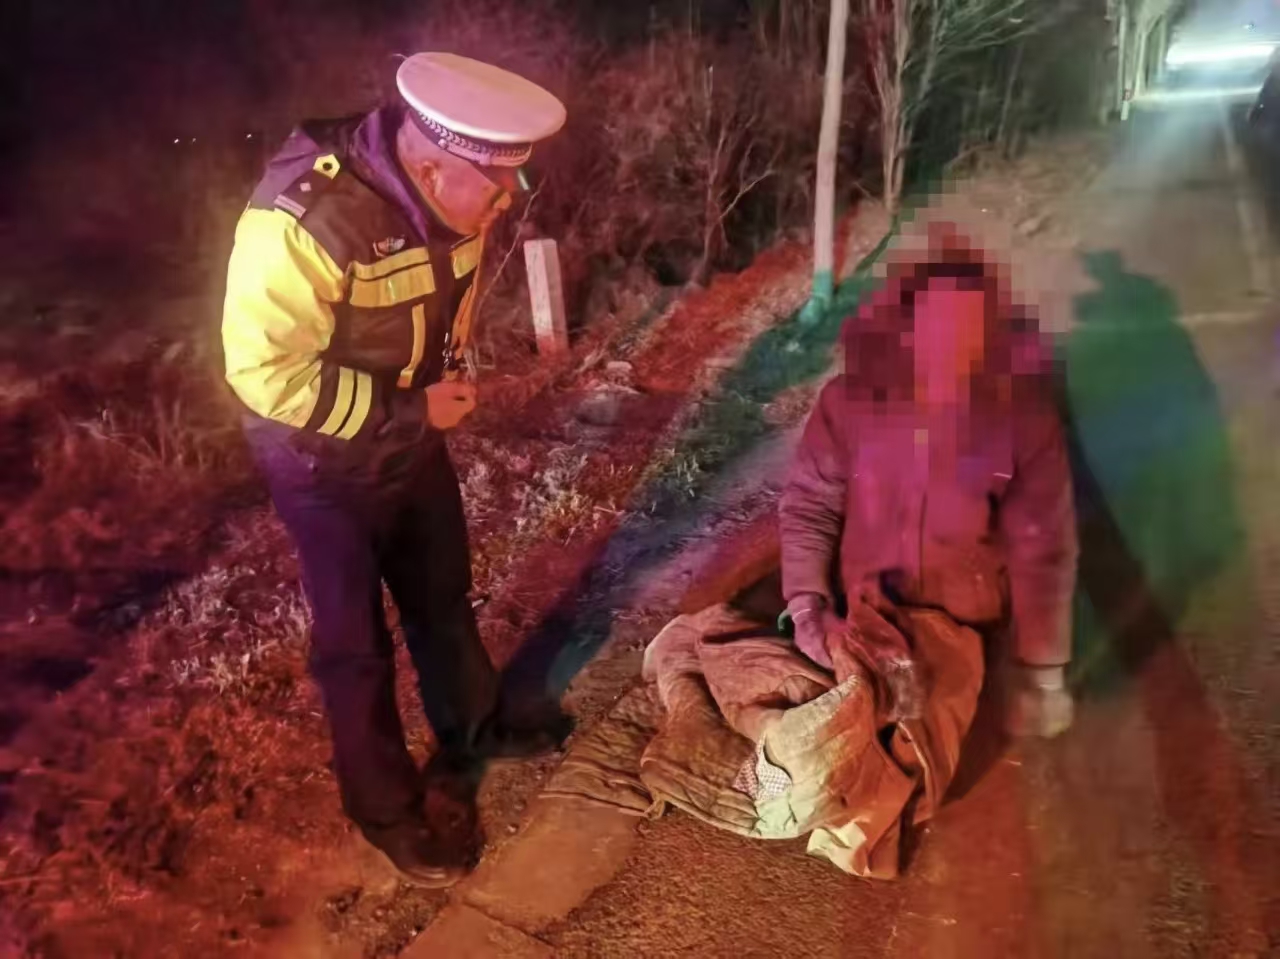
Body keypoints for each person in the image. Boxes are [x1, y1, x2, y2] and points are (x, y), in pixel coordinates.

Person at [221, 53, 567, 885]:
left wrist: (445, 377)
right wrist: (412, 413)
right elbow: (262, 373)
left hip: (413, 434)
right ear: (431, 166)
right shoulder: (300, 219)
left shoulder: (458, 197)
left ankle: (475, 726)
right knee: (355, 644)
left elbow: (451, 294)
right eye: (498, 186)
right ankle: (384, 810)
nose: (508, 203)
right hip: (319, 458)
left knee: (442, 593)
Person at [779, 227, 1079, 738]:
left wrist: (1043, 673)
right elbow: (811, 503)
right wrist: (807, 603)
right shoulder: (848, 402)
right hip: (866, 619)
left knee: (936, 750)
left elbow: (1043, 546)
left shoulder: (1022, 417)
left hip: (968, 635)